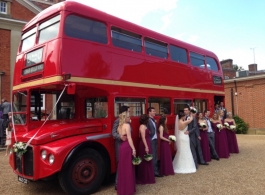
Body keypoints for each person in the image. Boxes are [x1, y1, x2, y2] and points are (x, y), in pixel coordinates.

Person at [117, 110, 136, 195]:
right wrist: (133, 149)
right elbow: (129, 138)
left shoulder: (119, 126)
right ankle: (128, 190)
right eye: (128, 117)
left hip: (122, 147)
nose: (130, 118)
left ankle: (122, 189)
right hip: (127, 146)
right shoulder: (127, 125)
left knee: (123, 168)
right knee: (128, 168)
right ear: (125, 118)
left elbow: (121, 136)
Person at [112, 106, 130, 190]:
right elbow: (113, 133)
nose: (129, 113)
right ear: (124, 112)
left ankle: (125, 183)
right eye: (128, 111)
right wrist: (120, 137)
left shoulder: (128, 121)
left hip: (127, 145)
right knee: (120, 164)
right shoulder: (117, 121)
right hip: (120, 145)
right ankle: (117, 184)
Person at [136, 114, 155, 184]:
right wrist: (146, 146)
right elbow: (143, 137)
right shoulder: (142, 126)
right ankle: (144, 178)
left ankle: (148, 176)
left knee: (148, 159)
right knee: (145, 160)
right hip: (145, 143)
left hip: (147, 142)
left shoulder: (144, 126)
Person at [147, 107, 162, 177]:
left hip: (155, 138)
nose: (154, 112)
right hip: (151, 139)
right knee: (153, 156)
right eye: (153, 111)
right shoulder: (148, 120)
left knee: (155, 155)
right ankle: (154, 172)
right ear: (149, 112)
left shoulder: (153, 120)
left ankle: (155, 170)